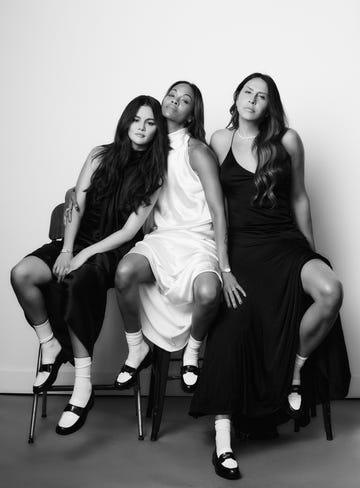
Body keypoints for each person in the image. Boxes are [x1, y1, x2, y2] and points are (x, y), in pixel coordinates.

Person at [189, 73, 350, 480]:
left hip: (284, 244)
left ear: (270, 105)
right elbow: (210, 203)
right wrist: (221, 265)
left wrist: (311, 254)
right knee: (231, 324)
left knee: (330, 291)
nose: (253, 101)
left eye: (262, 96)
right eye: (248, 92)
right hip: (240, 250)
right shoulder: (219, 140)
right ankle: (223, 441)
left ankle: (295, 371)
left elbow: (298, 196)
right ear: (237, 96)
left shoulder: (289, 140)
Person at [10, 95, 168, 435]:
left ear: (157, 130)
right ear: (126, 122)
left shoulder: (155, 173)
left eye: (150, 122)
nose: (141, 128)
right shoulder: (99, 155)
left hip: (112, 250)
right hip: (76, 242)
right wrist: (68, 250)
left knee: (79, 283)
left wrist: (85, 255)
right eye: (136, 120)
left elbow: (129, 230)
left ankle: (83, 385)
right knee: (21, 274)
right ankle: (49, 343)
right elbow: (76, 203)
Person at [113, 81, 243, 394]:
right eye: (172, 94)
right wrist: (77, 194)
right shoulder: (147, 147)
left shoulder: (197, 150)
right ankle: (136, 348)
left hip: (198, 242)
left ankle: (193, 350)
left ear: (189, 115)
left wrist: (225, 268)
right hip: (162, 240)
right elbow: (112, 176)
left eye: (184, 100)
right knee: (125, 272)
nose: (175, 101)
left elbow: (219, 210)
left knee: (209, 292)